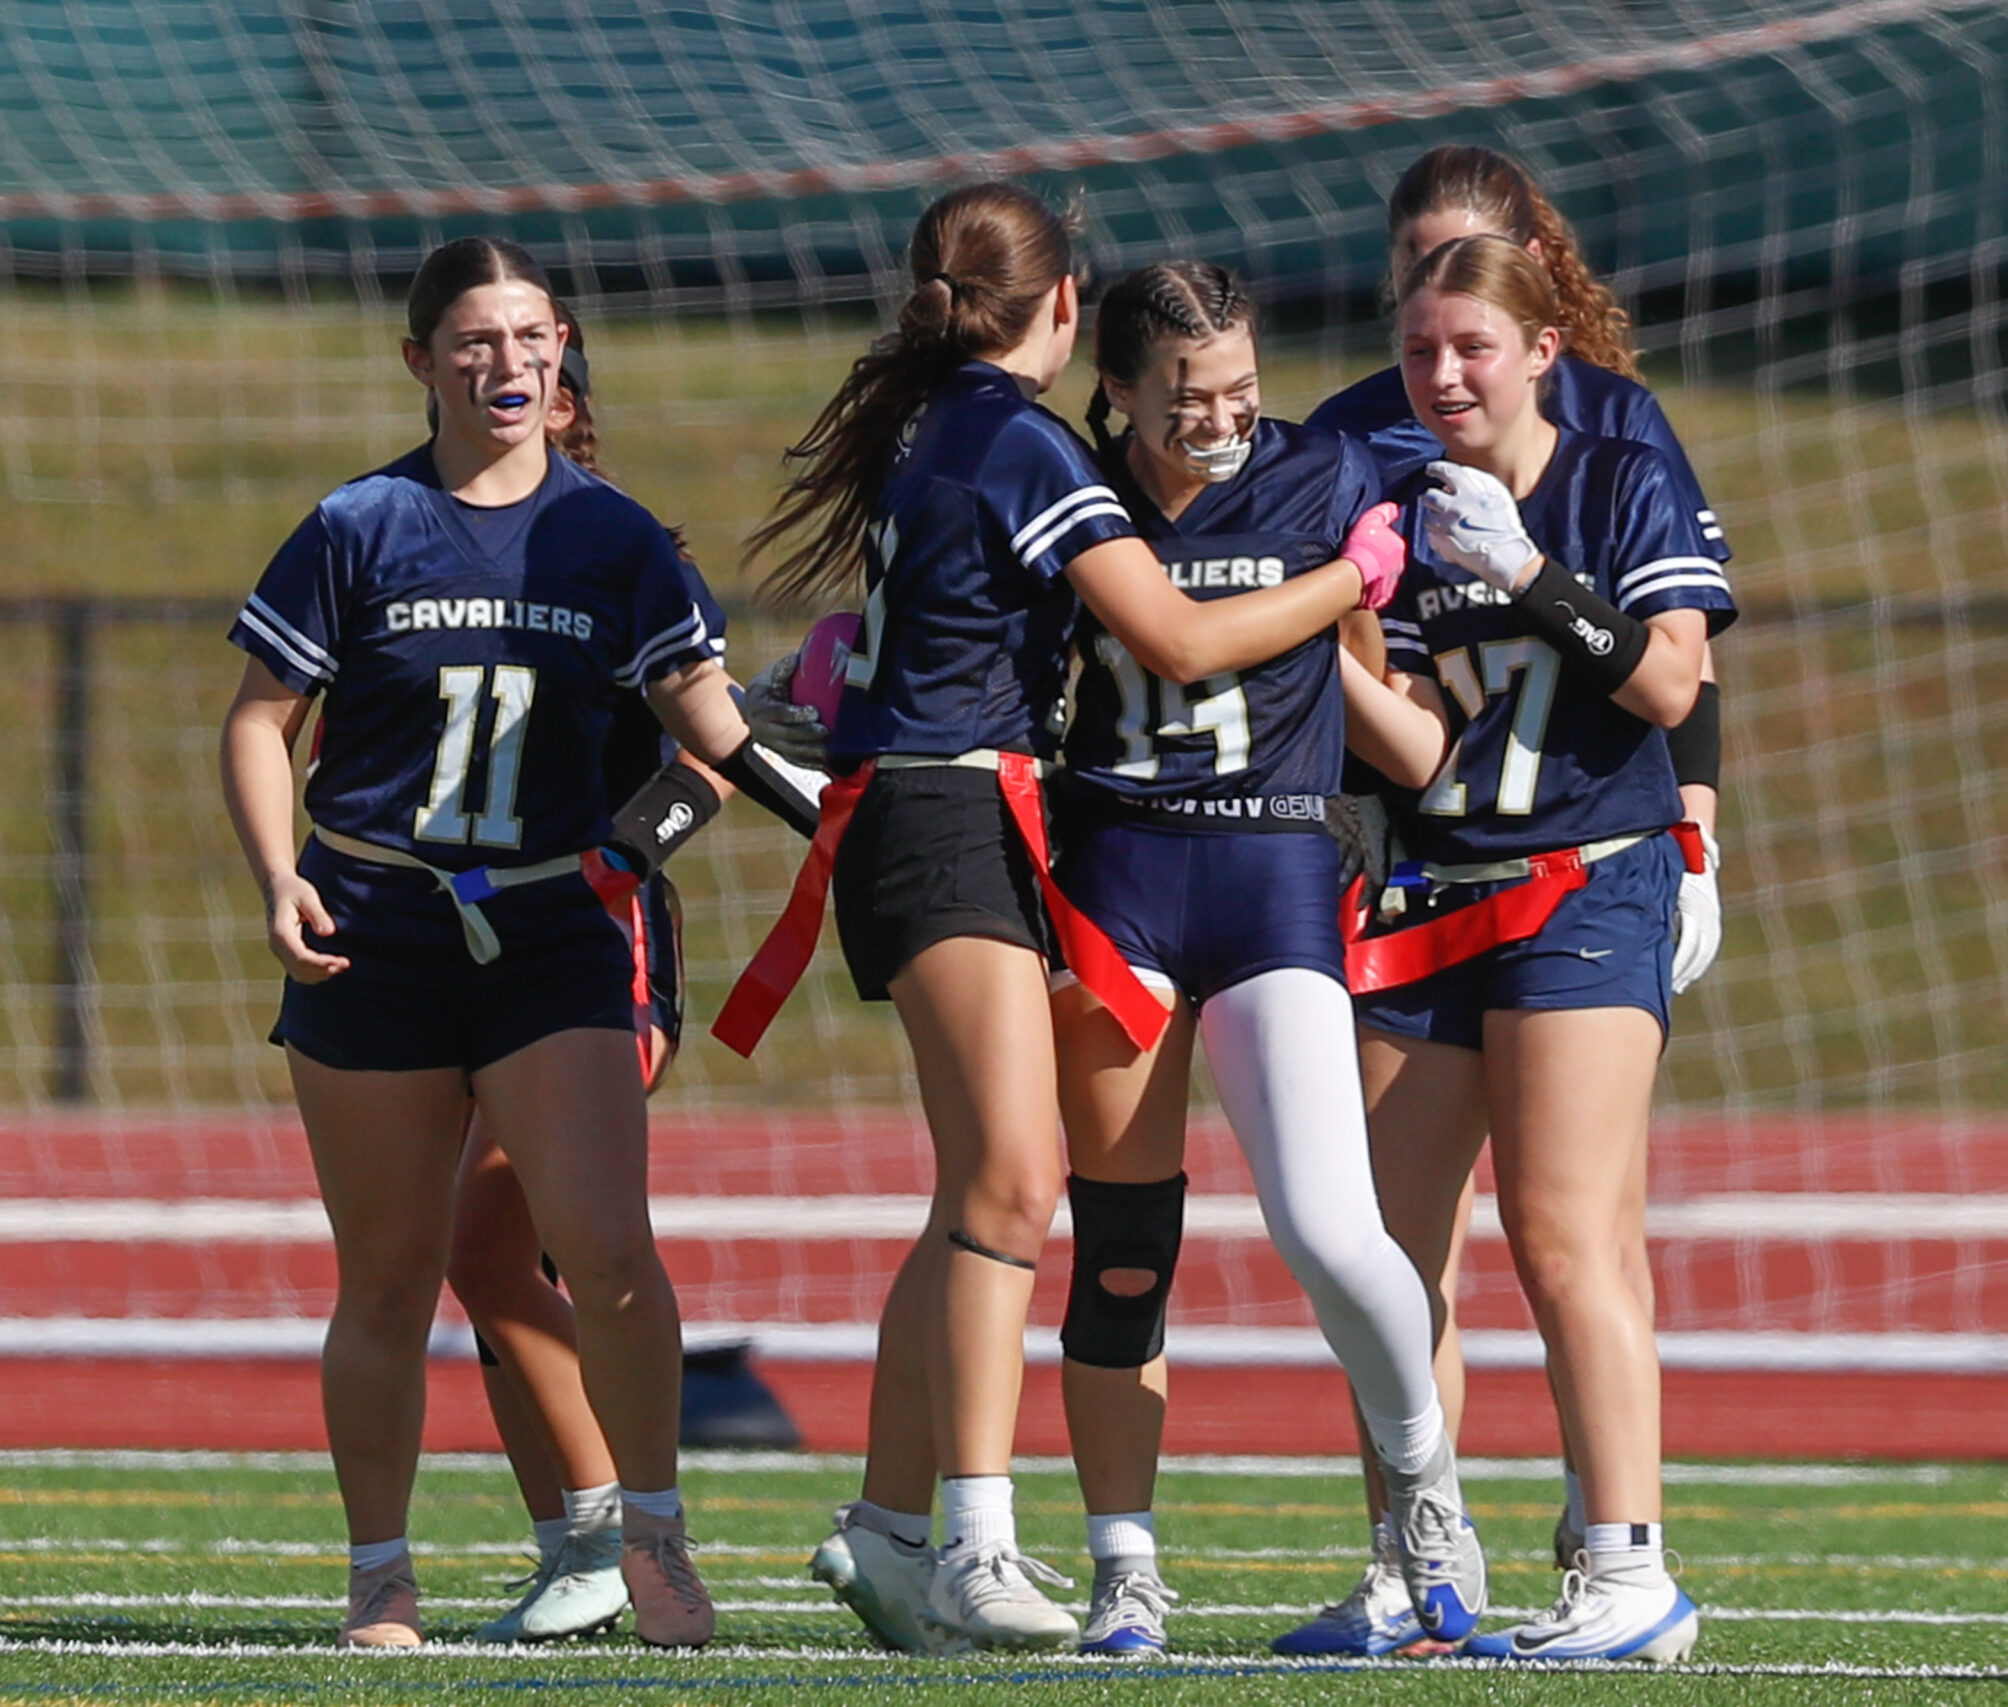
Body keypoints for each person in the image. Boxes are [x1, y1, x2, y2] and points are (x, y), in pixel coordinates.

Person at [712, 183, 1393, 1654]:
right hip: (951, 811)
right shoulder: (1022, 441)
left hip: (948, 807)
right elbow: (1181, 637)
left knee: (977, 1192)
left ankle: (892, 1532)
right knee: (1017, 1183)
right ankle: (971, 1540)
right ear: (1067, 311)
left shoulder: (944, 423)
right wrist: (1354, 575)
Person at [218, 236, 806, 1650]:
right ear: (420, 361)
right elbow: (256, 720)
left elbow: (710, 727)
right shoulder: (356, 525)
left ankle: (649, 1545)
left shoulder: (612, 536)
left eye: (532, 337)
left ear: (562, 352)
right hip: (377, 927)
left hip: (554, 932)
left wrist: (846, 806)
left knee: (606, 1249)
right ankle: (381, 1580)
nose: (510, 363)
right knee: (392, 1274)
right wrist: (273, 877)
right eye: (477, 341)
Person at [1288, 143, 1733, 1653]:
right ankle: (1419, 1566)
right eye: (1420, 344)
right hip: (1426, 882)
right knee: (1379, 1246)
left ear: (1543, 342)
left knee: (1562, 1232)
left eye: (1470, 344)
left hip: (1587, 877)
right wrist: (1332, 633)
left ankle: (1626, 1565)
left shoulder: (1617, 463)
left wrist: (1540, 575)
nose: (1442, 371)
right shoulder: (1375, 467)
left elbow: (1676, 679)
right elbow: (1419, 735)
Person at [1029, 261, 1475, 1655]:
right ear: (1116, 391)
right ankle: (1123, 1569)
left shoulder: (1327, 468)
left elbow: (1379, 690)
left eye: (1239, 389)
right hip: (1121, 879)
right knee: (1119, 1256)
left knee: (1336, 1230)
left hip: (1277, 867)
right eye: (1186, 396)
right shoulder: (1067, 490)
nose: (1221, 420)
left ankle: (1427, 1489)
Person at [443, 321, 819, 1645]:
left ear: (570, 394)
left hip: (600, 946)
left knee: (502, 1231)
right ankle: (576, 1544)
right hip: (466, 939)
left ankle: (620, 1537)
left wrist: (620, 851)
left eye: (542, 373)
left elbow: (714, 753)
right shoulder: (429, 542)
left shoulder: (626, 547)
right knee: (489, 1251)